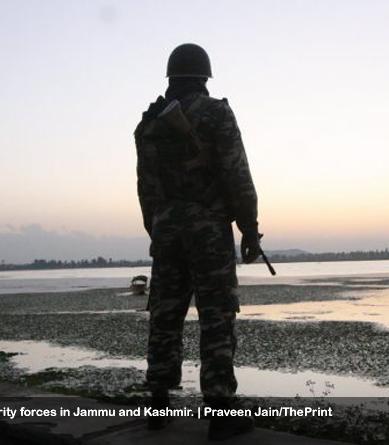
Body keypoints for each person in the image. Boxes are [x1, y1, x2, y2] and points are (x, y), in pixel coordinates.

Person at [135, 43, 261, 440]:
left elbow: (145, 187)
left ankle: (157, 401)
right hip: (207, 228)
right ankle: (221, 411)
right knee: (216, 315)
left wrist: (157, 229)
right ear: (204, 76)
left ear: (171, 76)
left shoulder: (150, 122)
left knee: (165, 314)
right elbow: (237, 173)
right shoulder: (216, 114)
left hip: (167, 227)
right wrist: (249, 226)